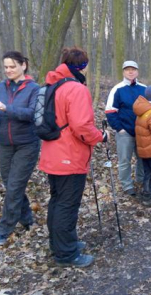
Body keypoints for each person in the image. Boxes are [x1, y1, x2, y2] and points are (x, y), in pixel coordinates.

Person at [39, 47, 108, 267]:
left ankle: (59, 244)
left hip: (52, 154)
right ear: (82, 66)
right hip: (69, 155)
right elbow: (82, 126)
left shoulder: (52, 85)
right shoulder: (76, 89)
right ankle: (66, 253)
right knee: (67, 205)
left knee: (57, 201)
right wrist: (100, 137)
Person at [0, 51, 40, 246]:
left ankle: (4, 228)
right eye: (5, 67)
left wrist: (7, 108)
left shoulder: (34, 89)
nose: (8, 70)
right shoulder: (1, 87)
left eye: (12, 66)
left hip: (27, 144)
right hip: (4, 144)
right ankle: (26, 219)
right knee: (11, 186)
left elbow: (32, 114)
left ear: (23, 65)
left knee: (15, 186)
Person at [105, 60, 145, 196]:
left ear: (137, 71)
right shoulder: (117, 89)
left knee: (143, 158)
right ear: (123, 72)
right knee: (124, 161)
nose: (130, 71)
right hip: (125, 132)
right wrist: (119, 128)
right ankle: (127, 185)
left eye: (133, 69)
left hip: (142, 132)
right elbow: (110, 111)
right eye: (127, 69)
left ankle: (141, 181)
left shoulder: (144, 88)